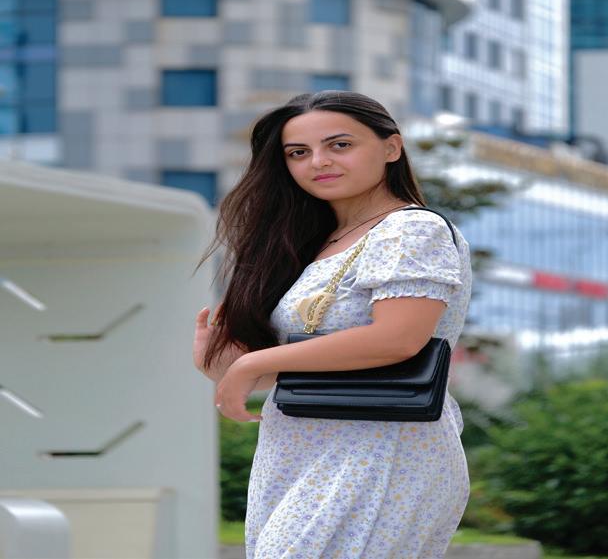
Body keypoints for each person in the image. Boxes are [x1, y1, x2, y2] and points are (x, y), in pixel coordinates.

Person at [192, 90, 472, 558]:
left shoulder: (410, 229)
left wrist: (253, 364)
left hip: (382, 446)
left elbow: (398, 338)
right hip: (298, 448)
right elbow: (299, 367)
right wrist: (222, 362)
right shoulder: (311, 245)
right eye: (298, 153)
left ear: (391, 147)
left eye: (340, 145)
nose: (318, 162)